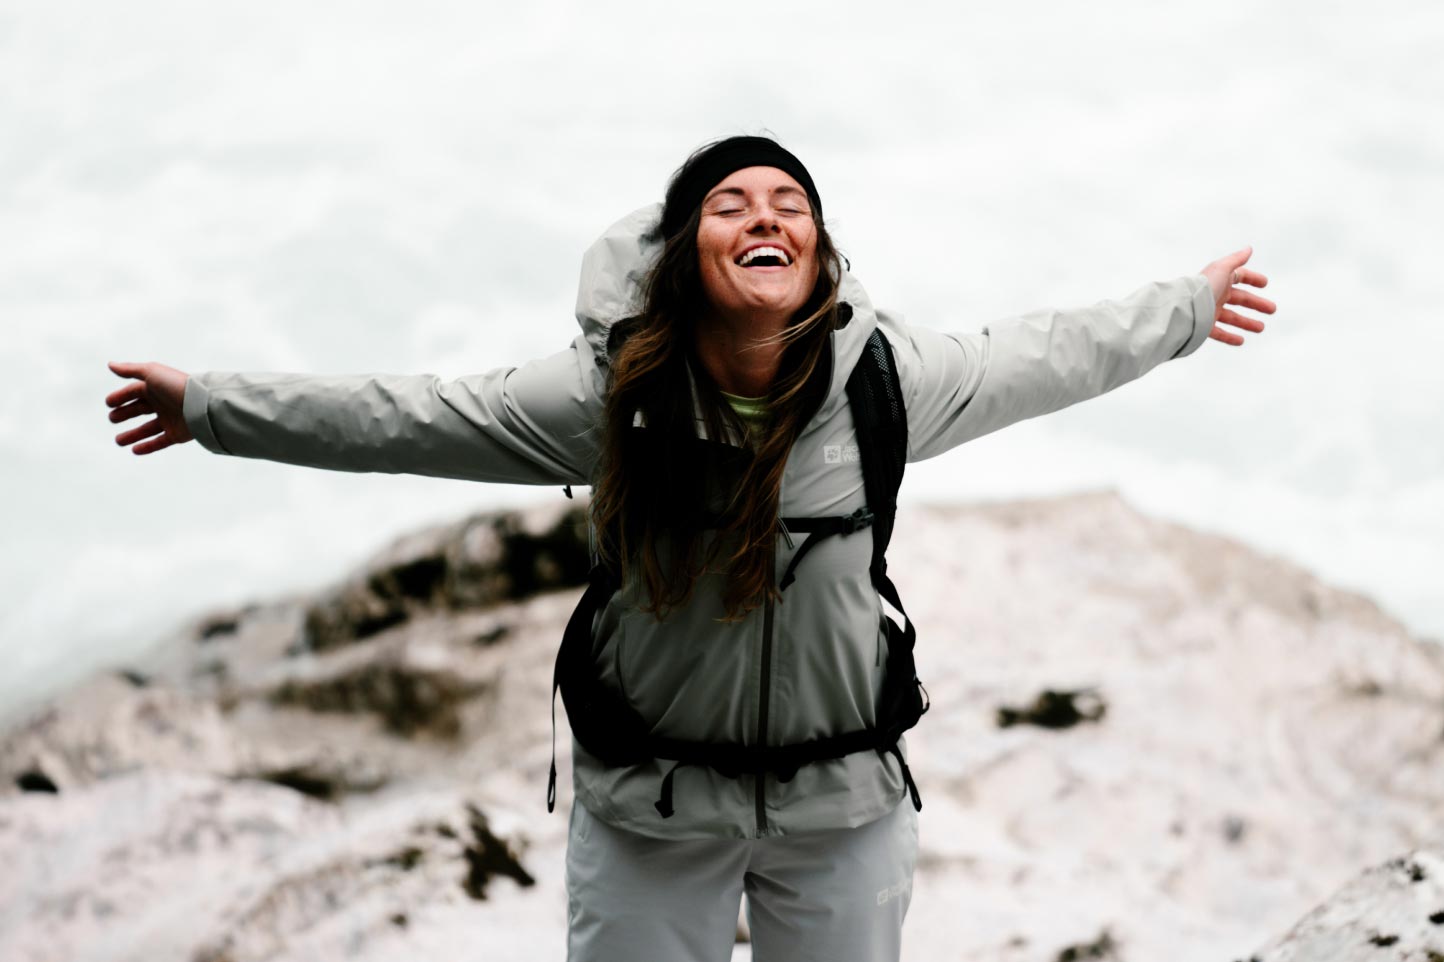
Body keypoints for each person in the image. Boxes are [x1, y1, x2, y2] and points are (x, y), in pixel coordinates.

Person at [106, 135, 1274, 962]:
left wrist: (1184, 307)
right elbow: (408, 413)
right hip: (649, 810)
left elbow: (1051, 349)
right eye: (730, 203)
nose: (765, 215)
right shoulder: (605, 400)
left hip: (843, 806)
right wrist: (213, 405)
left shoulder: (887, 384)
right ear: (683, 255)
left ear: (816, 253)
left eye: (789, 203)